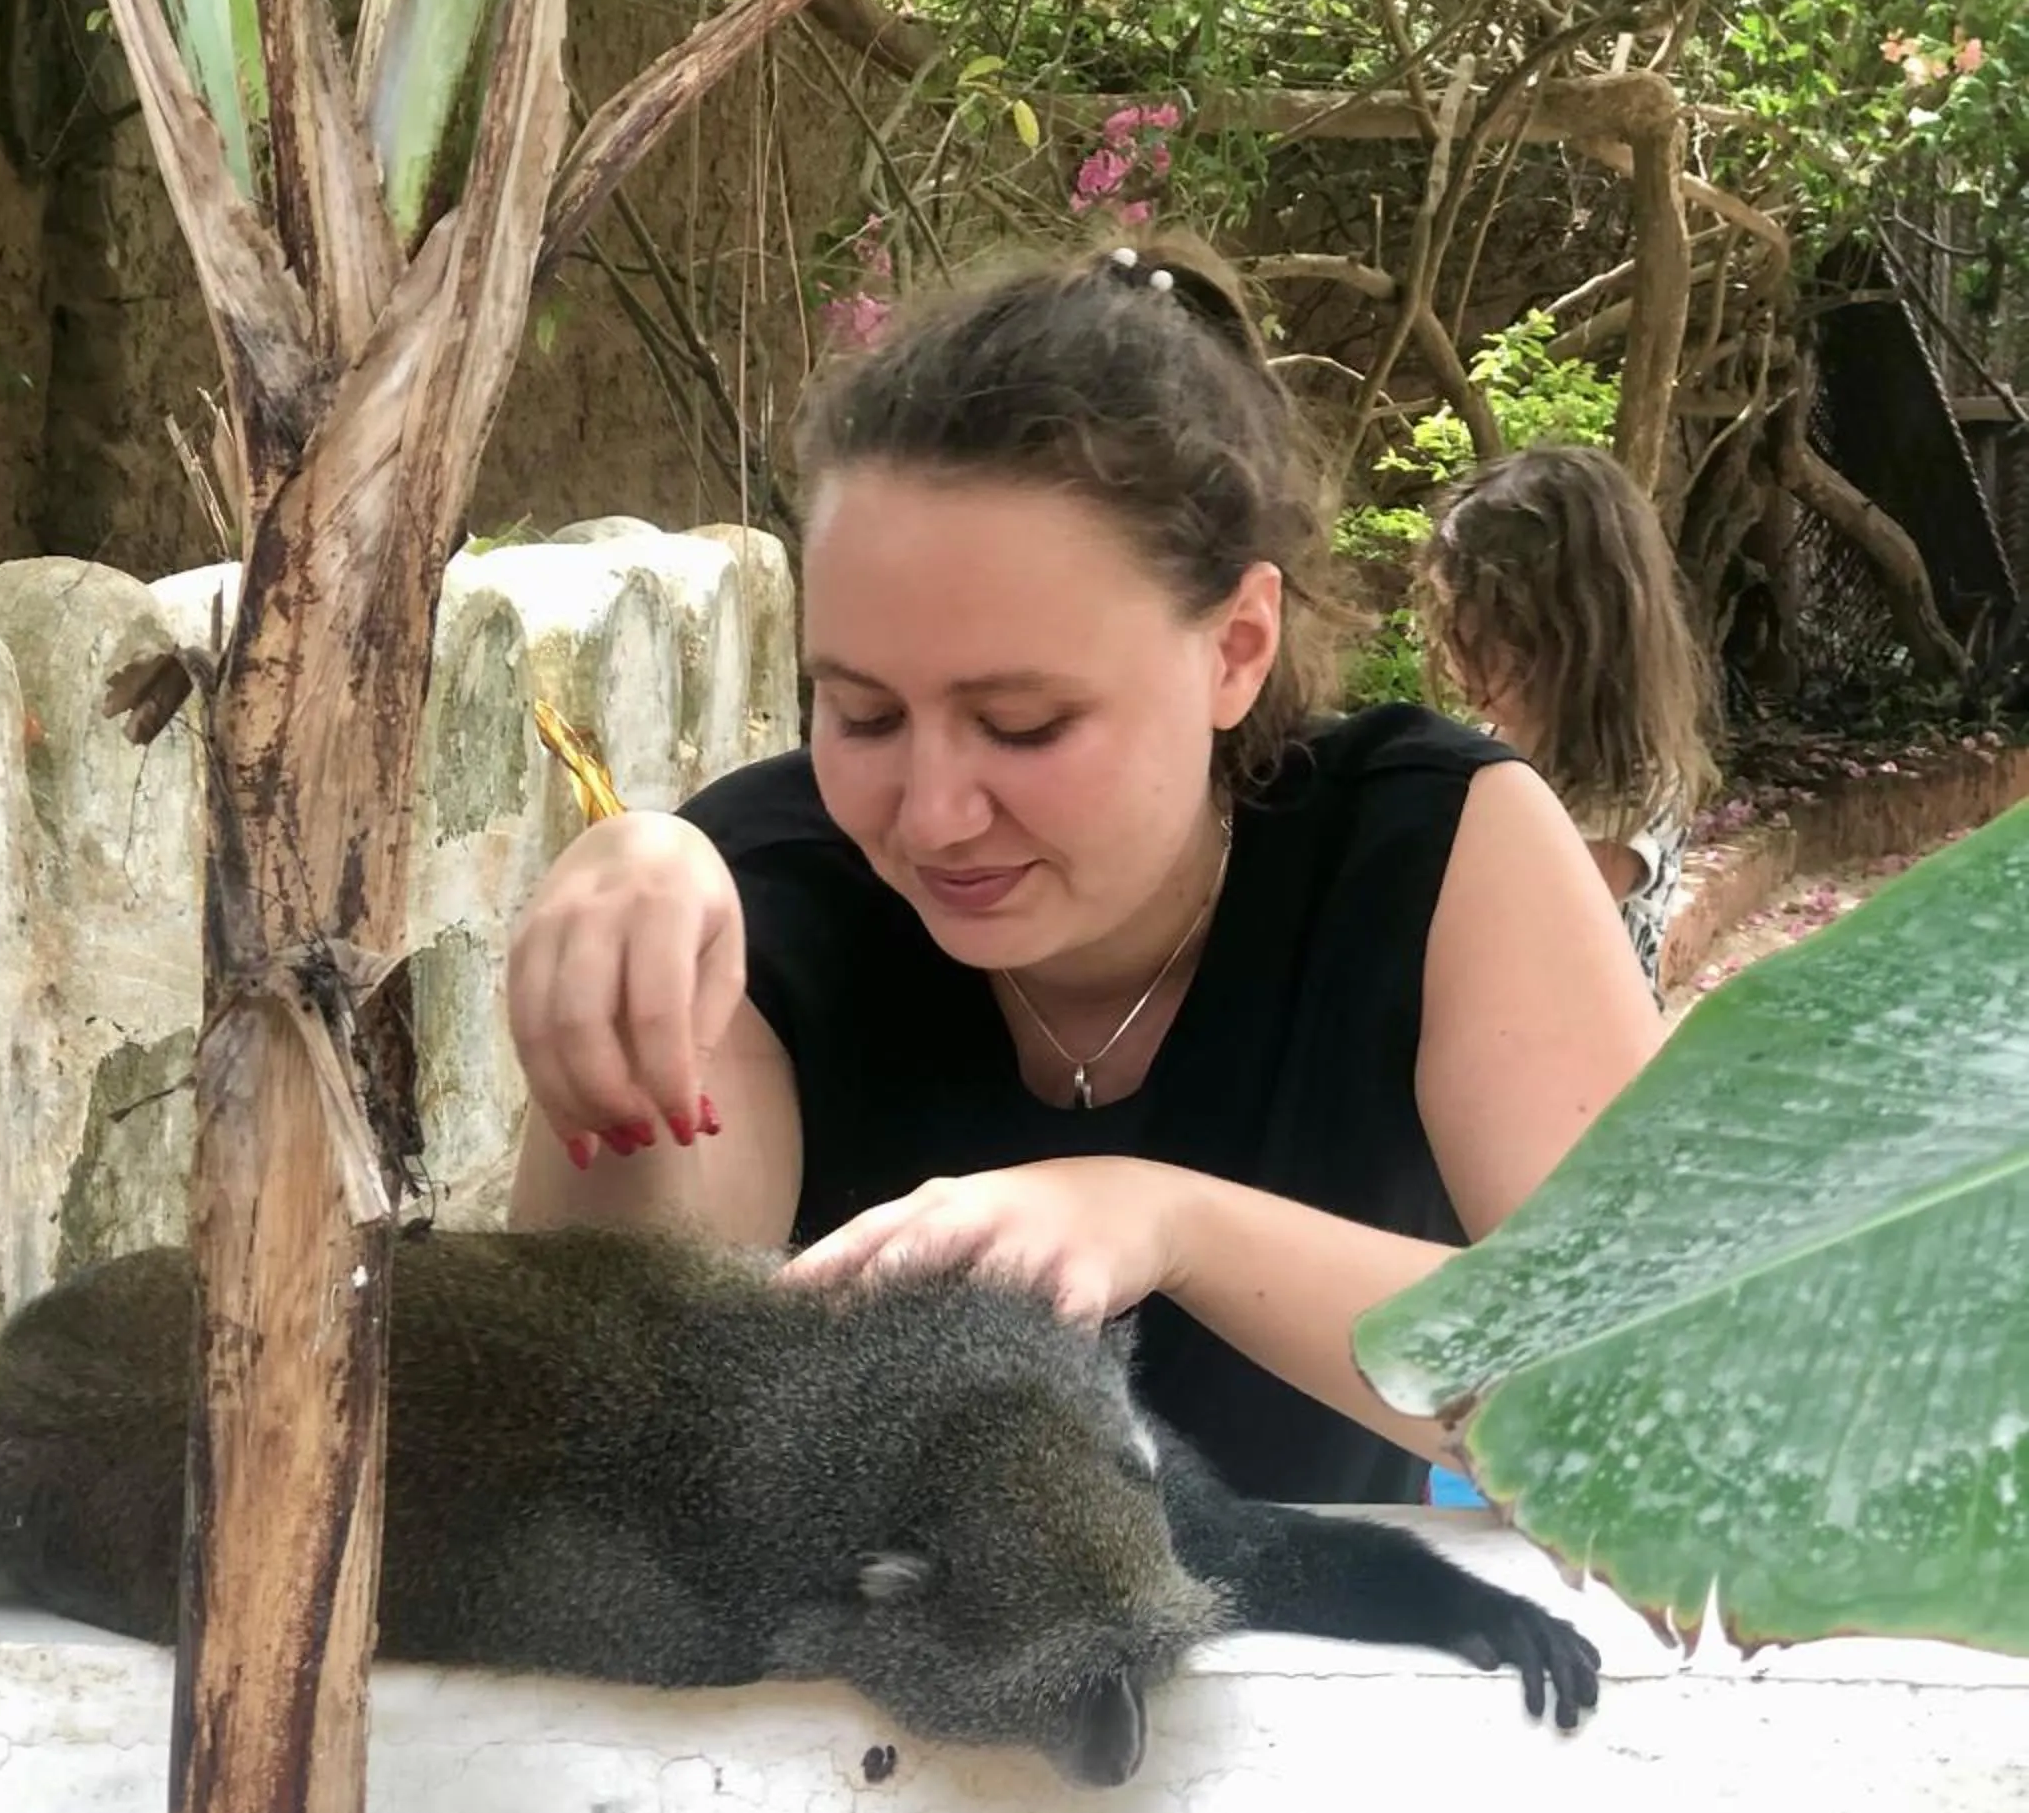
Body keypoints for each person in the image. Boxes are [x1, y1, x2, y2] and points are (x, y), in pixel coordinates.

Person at [497, 234, 1664, 1507]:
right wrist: (619, 965)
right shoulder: (770, 896)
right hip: (866, 1697)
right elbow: (612, 1436)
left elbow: (1660, 1395)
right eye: (864, 715)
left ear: (1237, 647)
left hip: (1342, 1683)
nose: (933, 818)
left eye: (1024, 726)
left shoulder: (1428, 851)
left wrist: (1167, 1223)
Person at [1412, 441, 1720, 991]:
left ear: (1576, 639)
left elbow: (1528, 937)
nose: (1462, 664)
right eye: (1456, 630)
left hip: (1580, 1064)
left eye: (1489, 639)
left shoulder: (1627, 787)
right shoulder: (1497, 740)